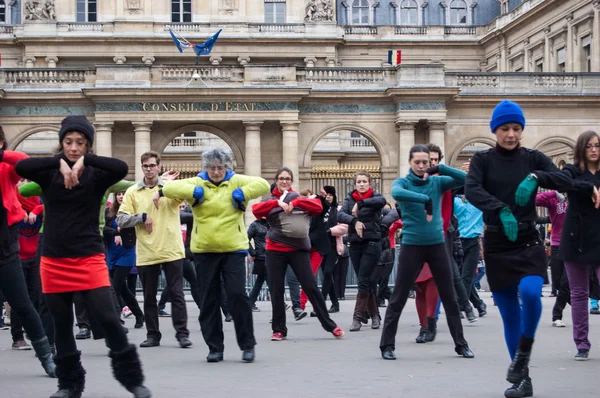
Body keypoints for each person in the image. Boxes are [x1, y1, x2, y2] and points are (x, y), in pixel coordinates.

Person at [15, 115, 151, 398]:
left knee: (108, 317)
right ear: (61, 143)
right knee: (62, 326)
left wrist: (85, 162)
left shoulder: (97, 175)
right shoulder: (48, 173)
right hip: (54, 259)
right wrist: (59, 163)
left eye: (80, 143)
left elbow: (120, 167)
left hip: (89, 258)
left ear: (88, 145)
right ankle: (68, 385)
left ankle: (132, 379)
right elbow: (21, 165)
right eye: (68, 142)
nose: (73, 147)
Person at [465, 100, 576, 397]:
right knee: (509, 314)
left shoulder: (533, 158)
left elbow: (565, 178)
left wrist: (537, 177)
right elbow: (472, 189)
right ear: (495, 130)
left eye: (516, 128)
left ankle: (523, 352)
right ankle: (522, 380)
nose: (511, 134)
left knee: (530, 291)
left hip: (527, 239)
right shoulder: (482, 160)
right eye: (505, 128)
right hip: (497, 241)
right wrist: (499, 208)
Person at [161, 148, 270, 363]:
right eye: (211, 168)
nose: (216, 172)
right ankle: (215, 348)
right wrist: (193, 193)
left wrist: (244, 194)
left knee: (237, 295)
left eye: (220, 168)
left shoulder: (236, 180)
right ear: (206, 168)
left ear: (227, 167)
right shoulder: (198, 182)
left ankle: (247, 345)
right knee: (209, 299)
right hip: (205, 250)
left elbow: (263, 184)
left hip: (234, 248)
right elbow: (169, 187)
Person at [379, 144, 474, 360]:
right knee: (399, 295)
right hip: (412, 245)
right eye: (417, 162)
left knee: (449, 296)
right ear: (410, 163)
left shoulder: (437, 181)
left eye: (426, 162)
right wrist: (425, 200)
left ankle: (461, 344)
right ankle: (387, 345)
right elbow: (396, 193)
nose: (422, 166)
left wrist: (442, 168)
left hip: (437, 245)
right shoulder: (403, 182)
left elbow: (466, 180)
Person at [252, 167, 344, 341]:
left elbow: (317, 206)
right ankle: (279, 329)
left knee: (310, 286)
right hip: (275, 251)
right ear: (276, 180)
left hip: (299, 250)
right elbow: (256, 210)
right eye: (281, 178)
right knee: (276, 289)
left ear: (292, 181)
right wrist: (277, 203)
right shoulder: (270, 200)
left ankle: (329, 325)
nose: (284, 181)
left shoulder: (298, 198)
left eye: (287, 178)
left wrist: (295, 203)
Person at [117, 151, 191, 349]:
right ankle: (153, 335)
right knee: (149, 296)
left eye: (152, 165)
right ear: (142, 168)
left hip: (171, 248)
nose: (149, 169)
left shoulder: (169, 189)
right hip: (147, 251)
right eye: (145, 166)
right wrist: (140, 217)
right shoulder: (132, 191)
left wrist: (167, 186)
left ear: (159, 167)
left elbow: (187, 193)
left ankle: (182, 334)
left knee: (177, 294)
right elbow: (121, 219)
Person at [0, 127, 56, 377]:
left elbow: (27, 163)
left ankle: (46, 357)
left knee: (23, 304)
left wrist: (2, 155)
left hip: (5, 247)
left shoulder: (6, 169)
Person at [559, 130, 600, 361]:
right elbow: (566, 183)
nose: (594, 149)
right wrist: (589, 188)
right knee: (579, 293)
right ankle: (582, 343)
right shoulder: (571, 171)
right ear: (581, 149)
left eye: (597, 145)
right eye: (589, 146)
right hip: (576, 237)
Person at [337, 171, 386, 331]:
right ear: (355, 184)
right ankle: (375, 316)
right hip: (355, 245)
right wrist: (355, 221)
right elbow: (341, 214)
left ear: (369, 183)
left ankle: (357, 318)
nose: (362, 184)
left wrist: (361, 203)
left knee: (364, 280)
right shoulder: (349, 199)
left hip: (372, 243)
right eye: (359, 182)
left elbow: (382, 201)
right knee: (367, 282)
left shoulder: (376, 198)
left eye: (365, 181)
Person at [104, 192, 144, 329]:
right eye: (119, 194)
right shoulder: (108, 211)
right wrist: (114, 232)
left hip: (127, 251)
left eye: (123, 194)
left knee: (115, 286)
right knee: (122, 288)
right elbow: (102, 227)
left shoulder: (133, 210)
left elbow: (139, 225)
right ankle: (139, 314)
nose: (121, 196)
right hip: (112, 252)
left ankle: (117, 320)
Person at [535, 190, 569, 327]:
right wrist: (553, 193)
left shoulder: (577, 196)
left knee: (566, 283)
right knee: (557, 283)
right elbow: (534, 200)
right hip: (556, 244)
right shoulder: (553, 199)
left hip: (572, 245)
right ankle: (575, 301)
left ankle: (557, 315)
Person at [247, 216, 270, 311]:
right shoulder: (254, 225)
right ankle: (281, 302)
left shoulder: (271, 223)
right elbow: (245, 239)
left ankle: (250, 303)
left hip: (270, 255)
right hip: (261, 256)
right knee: (269, 279)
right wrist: (253, 253)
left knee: (261, 280)